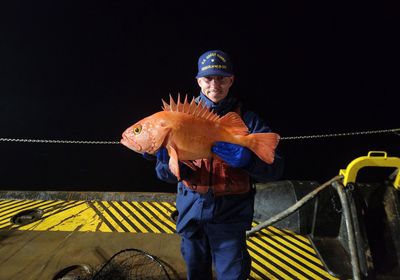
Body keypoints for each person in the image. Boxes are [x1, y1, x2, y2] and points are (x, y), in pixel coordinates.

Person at [146, 50, 284, 280]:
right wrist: (166, 160)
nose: (214, 85)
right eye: (208, 78)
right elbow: (166, 176)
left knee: (232, 274)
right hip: (191, 213)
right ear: (199, 81)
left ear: (231, 80)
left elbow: (275, 168)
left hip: (230, 217)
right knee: (196, 272)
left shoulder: (248, 121)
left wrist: (249, 160)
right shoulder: (176, 118)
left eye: (221, 78)